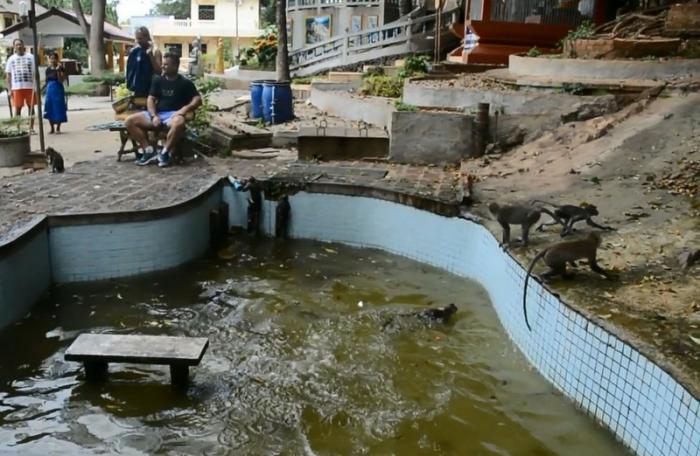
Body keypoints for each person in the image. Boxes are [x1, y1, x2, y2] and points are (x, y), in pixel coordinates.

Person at [124, 53, 201, 168]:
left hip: (173, 115)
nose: (162, 67)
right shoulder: (158, 80)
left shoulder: (185, 83)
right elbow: (150, 99)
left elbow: (197, 99)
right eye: (163, 64)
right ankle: (149, 151)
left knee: (179, 122)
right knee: (129, 121)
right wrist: (154, 115)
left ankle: (165, 153)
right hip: (158, 114)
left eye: (166, 64)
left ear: (175, 66)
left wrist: (185, 109)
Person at [5, 39, 36, 132]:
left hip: (30, 87)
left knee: (31, 108)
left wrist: (36, 86)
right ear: (14, 47)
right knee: (18, 108)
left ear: (23, 45)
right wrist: (10, 89)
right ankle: (18, 128)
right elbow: (8, 75)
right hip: (17, 87)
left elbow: (35, 73)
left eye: (20, 44)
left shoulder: (31, 57)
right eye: (16, 45)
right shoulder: (11, 59)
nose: (18, 46)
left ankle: (31, 128)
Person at [126, 26, 162, 97]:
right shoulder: (135, 52)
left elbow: (159, 71)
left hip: (151, 90)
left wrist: (150, 56)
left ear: (147, 37)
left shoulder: (156, 51)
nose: (138, 41)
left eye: (140, 39)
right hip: (138, 90)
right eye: (136, 39)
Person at [43, 52, 68, 134]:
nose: (52, 60)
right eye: (51, 58)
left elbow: (61, 80)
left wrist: (58, 70)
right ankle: (52, 127)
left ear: (57, 59)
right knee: (50, 108)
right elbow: (46, 81)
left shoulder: (61, 68)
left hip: (58, 89)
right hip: (50, 90)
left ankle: (58, 127)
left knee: (58, 108)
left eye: (54, 58)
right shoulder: (48, 69)